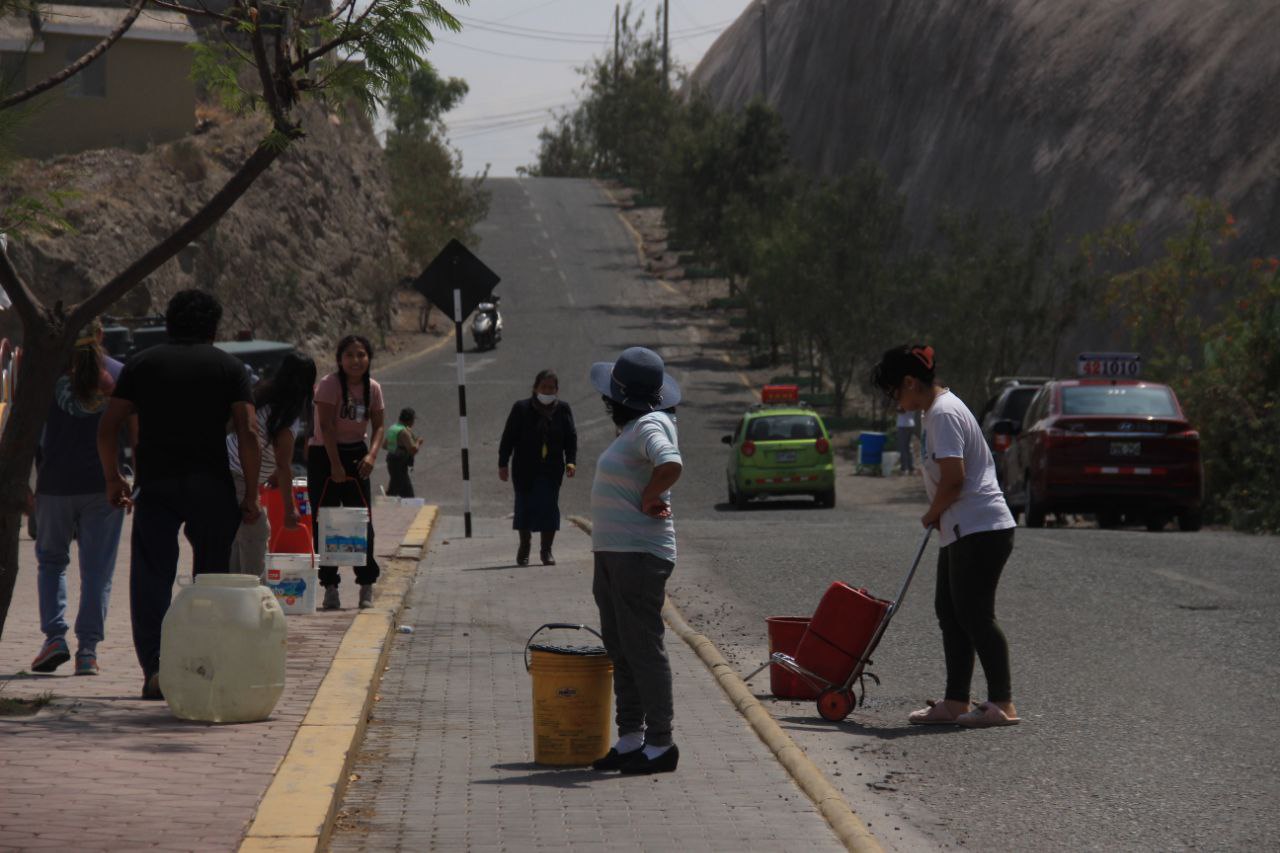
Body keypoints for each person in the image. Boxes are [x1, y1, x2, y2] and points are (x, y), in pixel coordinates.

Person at [98, 290, 260, 700]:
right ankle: (205, 666)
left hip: (157, 486)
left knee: (151, 576)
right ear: (213, 327)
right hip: (212, 488)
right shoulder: (230, 368)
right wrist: (252, 494)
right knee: (211, 579)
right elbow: (249, 432)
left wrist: (113, 478)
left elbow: (108, 426)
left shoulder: (142, 364)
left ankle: (155, 669)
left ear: (169, 322)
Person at [870, 344, 1020, 728]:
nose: (894, 401)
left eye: (893, 392)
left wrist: (931, 513)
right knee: (949, 611)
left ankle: (1002, 702)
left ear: (909, 382)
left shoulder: (943, 413)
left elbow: (955, 480)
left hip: (982, 527)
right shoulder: (931, 413)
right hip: (960, 527)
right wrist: (940, 515)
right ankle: (955, 701)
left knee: (974, 613)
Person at [587, 347, 683, 775]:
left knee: (643, 648)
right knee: (621, 646)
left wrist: (648, 496)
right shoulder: (634, 429)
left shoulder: (651, 423)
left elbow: (670, 462)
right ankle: (631, 738)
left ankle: (661, 744)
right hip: (615, 555)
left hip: (639, 557)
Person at [30, 319, 128, 677]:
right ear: (101, 336)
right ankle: (87, 651)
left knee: (52, 562)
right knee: (97, 571)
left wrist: (24, 485)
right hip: (104, 485)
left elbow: (27, 431)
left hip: (54, 485)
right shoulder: (118, 374)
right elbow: (133, 432)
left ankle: (54, 638)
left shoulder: (44, 376)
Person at [308, 334, 385, 611]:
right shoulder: (329, 385)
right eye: (350, 355)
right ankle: (330, 586)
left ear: (368, 358)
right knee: (325, 522)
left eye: (361, 355)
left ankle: (366, 583)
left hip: (357, 455)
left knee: (362, 521)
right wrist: (335, 465)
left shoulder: (373, 388)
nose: (356, 360)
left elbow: (378, 426)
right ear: (340, 359)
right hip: (324, 455)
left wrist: (371, 455)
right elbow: (326, 426)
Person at [227, 352, 317, 577]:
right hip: (238, 474)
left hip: (229, 467)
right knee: (256, 532)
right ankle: (254, 591)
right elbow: (284, 465)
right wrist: (290, 509)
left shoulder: (263, 396)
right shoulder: (286, 418)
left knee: (239, 536)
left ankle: (235, 586)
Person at [498, 370, 578, 566]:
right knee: (524, 507)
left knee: (549, 508)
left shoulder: (563, 409)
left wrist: (571, 461)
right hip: (524, 469)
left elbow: (571, 438)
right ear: (535, 388)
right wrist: (503, 463)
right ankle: (524, 548)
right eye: (544, 387)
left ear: (557, 390)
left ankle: (546, 551)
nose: (547, 391)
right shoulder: (521, 408)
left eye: (551, 388)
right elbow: (508, 437)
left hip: (551, 469)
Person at [384, 407, 423, 498]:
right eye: (413, 419)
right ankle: (387, 502)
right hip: (399, 464)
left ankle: (390, 497)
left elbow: (385, 445)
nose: (413, 422)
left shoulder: (393, 428)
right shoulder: (404, 432)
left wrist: (396, 448)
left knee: (402, 488)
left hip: (392, 461)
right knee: (401, 491)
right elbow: (413, 450)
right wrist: (418, 442)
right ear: (409, 420)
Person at [896, 407, 917, 474]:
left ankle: (905, 468)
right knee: (909, 447)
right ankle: (911, 467)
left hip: (903, 425)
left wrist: (894, 408)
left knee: (903, 447)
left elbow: (902, 410)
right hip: (910, 424)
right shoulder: (913, 399)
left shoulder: (905, 400)